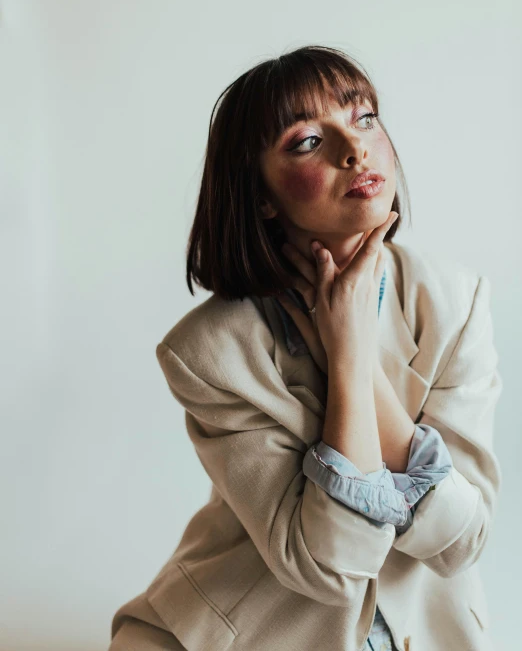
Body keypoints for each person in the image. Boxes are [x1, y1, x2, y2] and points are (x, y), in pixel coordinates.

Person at [108, 45, 501, 651]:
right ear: (261, 195)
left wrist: (353, 352)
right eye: (307, 141)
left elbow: (461, 540)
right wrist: (343, 361)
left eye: (364, 117)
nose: (355, 149)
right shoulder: (210, 352)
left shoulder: (454, 303)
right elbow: (331, 569)